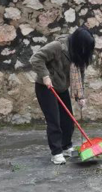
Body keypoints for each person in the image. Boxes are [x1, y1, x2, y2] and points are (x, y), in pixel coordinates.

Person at [30, 27, 94, 165]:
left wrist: (80, 95)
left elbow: (80, 74)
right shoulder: (58, 47)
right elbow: (36, 59)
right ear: (78, 42)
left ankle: (66, 146)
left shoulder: (78, 53)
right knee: (54, 121)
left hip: (61, 87)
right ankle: (56, 152)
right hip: (46, 87)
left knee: (68, 120)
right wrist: (45, 75)